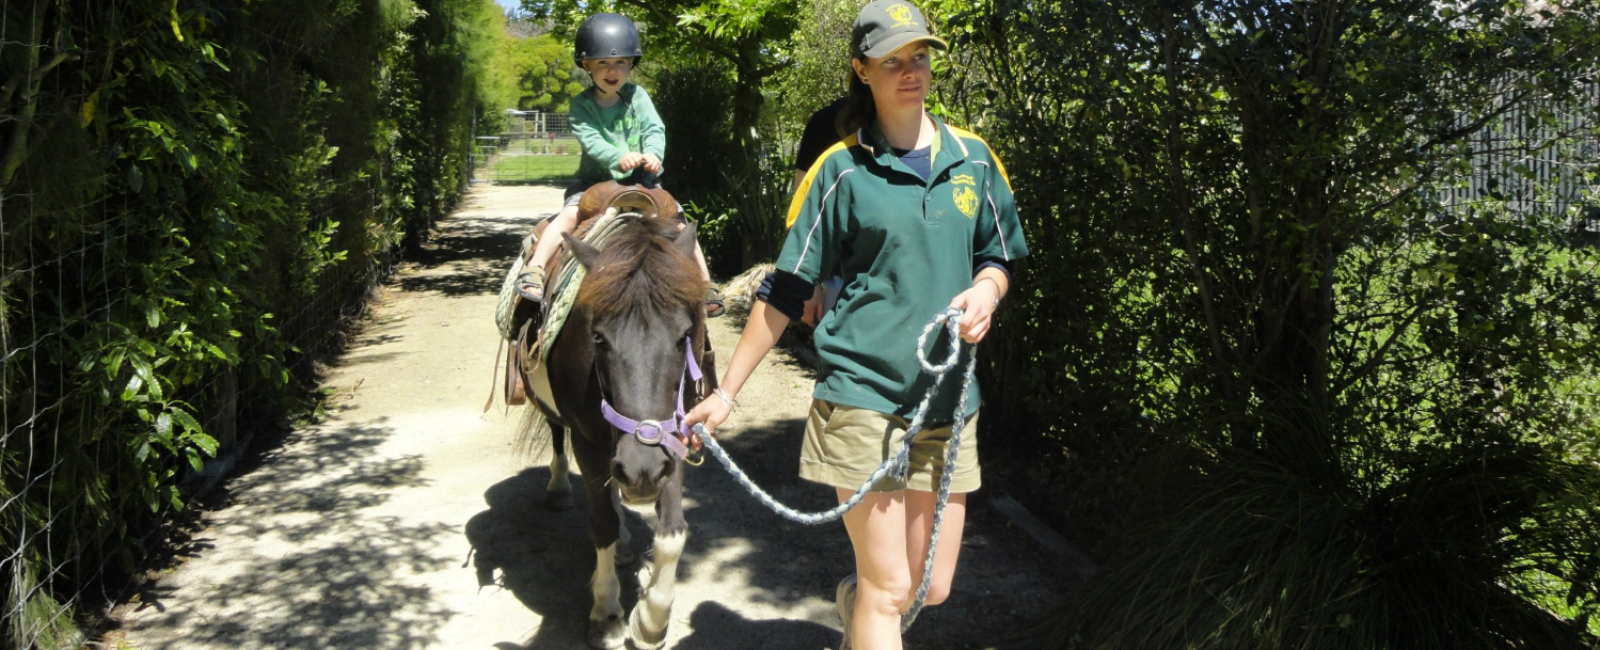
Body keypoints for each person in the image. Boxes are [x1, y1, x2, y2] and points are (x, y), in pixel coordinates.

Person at [685, 1, 1028, 648]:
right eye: (893, 61)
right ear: (860, 70)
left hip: (950, 402)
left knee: (930, 586)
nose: (911, 72)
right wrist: (726, 392)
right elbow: (785, 288)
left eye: (919, 57)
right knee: (889, 586)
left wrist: (987, 288)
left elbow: (998, 253)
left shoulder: (975, 160)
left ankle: (860, 603)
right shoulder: (838, 171)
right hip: (861, 396)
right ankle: (870, 604)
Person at [518, 12, 724, 317]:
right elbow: (591, 141)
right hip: (594, 183)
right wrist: (619, 157)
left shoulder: (638, 96)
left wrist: (654, 153)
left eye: (620, 62)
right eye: (602, 62)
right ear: (586, 65)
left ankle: (705, 283)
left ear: (631, 64)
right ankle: (535, 269)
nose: (612, 70)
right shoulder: (581, 105)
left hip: (642, 181)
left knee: (679, 222)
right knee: (569, 216)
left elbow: (654, 129)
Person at [791, 96, 849, 328]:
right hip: (838, 278)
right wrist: (810, 284)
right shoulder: (826, 122)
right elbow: (802, 202)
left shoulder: (922, 129)